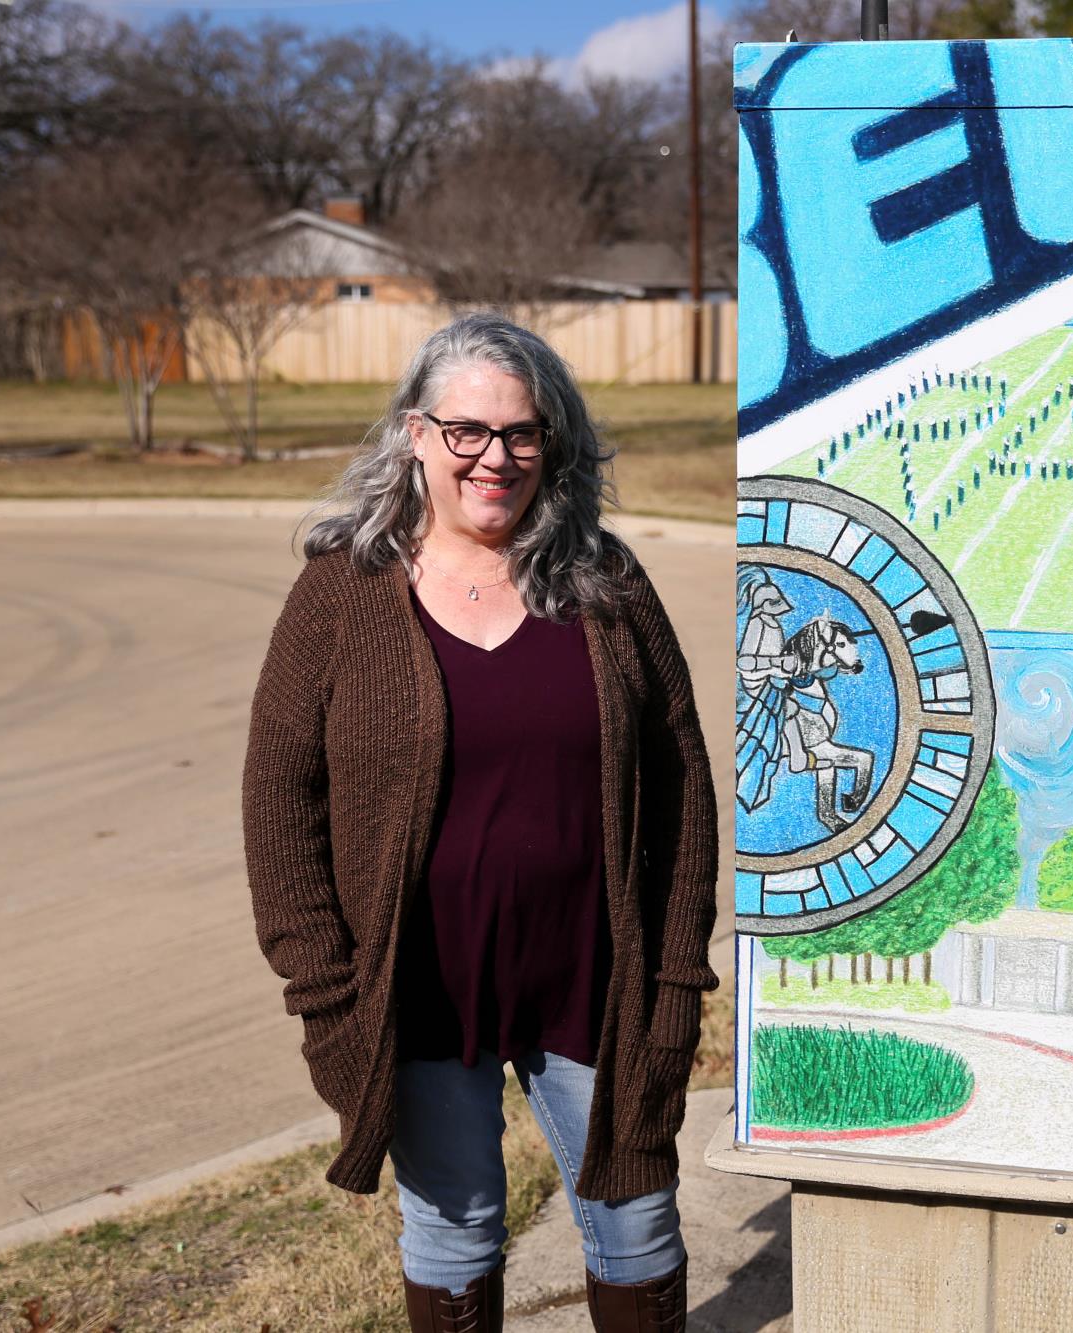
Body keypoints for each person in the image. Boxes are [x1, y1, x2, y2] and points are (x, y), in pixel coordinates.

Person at [242, 313, 717, 1333]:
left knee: (635, 1222)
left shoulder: (606, 585)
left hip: (594, 979)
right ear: (415, 435)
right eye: (467, 431)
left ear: (553, 442)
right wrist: (327, 992)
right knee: (452, 1230)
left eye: (521, 433)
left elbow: (682, 791)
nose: (493, 458)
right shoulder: (339, 595)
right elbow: (279, 806)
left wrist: (675, 975)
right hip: (421, 988)